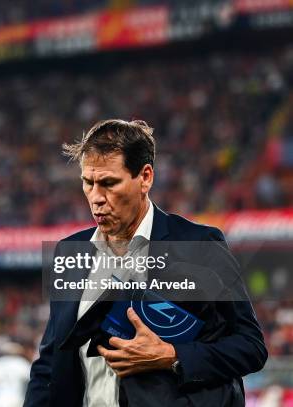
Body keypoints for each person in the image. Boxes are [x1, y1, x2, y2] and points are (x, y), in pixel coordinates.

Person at [24, 119, 268, 406]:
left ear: (146, 177)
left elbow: (250, 346)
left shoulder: (197, 245)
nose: (96, 198)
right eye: (87, 183)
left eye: (108, 183)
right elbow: (50, 364)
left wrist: (170, 355)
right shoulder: (69, 252)